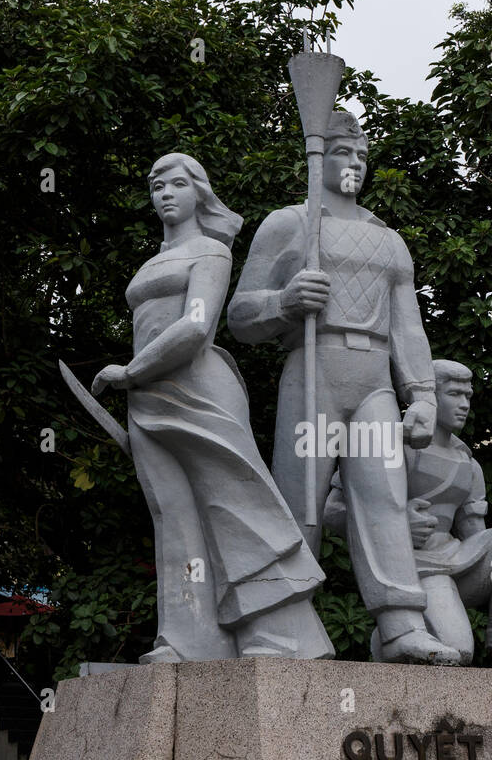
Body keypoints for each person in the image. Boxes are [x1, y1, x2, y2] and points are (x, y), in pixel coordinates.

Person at [227, 112, 459, 664]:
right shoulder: (290, 225)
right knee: (301, 501)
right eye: (340, 153)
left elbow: (408, 326)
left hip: (374, 379)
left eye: (360, 154)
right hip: (313, 368)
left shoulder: (389, 241)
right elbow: (238, 314)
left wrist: (422, 394)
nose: (353, 163)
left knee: (382, 494)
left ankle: (401, 625)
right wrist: (283, 303)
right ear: (318, 158)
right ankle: (284, 621)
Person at [91, 153, 333, 663]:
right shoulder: (151, 262)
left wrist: (131, 372)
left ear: (199, 192)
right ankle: (188, 638)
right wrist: (137, 383)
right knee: (172, 515)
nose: (165, 194)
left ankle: (283, 635)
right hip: (147, 398)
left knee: (236, 509)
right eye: (157, 185)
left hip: (198, 389)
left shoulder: (211, 251)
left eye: (177, 183)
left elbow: (197, 326)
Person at [325, 360, 492, 669]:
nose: (464, 405)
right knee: (457, 650)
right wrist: (396, 522)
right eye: (455, 394)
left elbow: (478, 539)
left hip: (458, 561)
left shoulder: (468, 463)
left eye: (468, 396)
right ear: (430, 396)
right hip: (416, 569)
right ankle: (391, 636)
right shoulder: (387, 445)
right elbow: (332, 512)